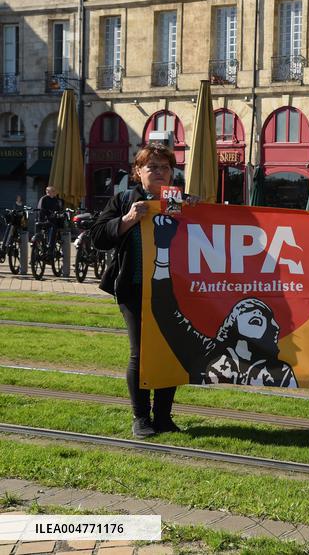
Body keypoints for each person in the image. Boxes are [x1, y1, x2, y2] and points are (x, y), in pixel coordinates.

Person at [91, 143, 196, 439]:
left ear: (172, 172)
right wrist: (127, 220)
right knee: (141, 352)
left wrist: (198, 211)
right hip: (133, 287)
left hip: (171, 289)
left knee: (169, 350)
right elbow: (98, 238)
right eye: (152, 167)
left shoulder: (179, 201)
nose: (160, 172)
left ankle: (163, 417)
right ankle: (141, 417)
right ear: (138, 172)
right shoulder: (125, 200)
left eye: (165, 167)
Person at [148, 215, 298, 387]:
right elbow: (165, 310)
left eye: (264, 313)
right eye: (246, 309)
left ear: (269, 328)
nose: (257, 311)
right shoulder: (206, 350)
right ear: (232, 323)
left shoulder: (280, 370)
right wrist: (163, 249)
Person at [36, 185, 65, 257]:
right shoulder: (44, 199)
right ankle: (49, 248)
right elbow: (41, 211)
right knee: (52, 228)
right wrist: (48, 216)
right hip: (45, 220)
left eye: (54, 191)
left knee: (56, 227)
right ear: (47, 192)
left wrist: (60, 214)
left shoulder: (57, 200)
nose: (54, 193)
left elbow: (59, 210)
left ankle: (51, 246)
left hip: (53, 220)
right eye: (52, 191)